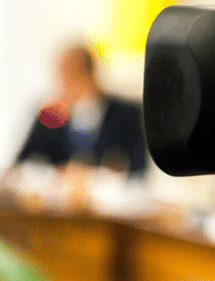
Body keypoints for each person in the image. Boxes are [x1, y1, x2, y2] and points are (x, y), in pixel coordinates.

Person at [11, 43, 147, 179]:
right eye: (62, 78)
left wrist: (94, 175)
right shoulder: (50, 113)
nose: (64, 86)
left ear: (90, 76)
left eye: (72, 77)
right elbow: (23, 162)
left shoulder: (127, 114)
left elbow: (138, 170)